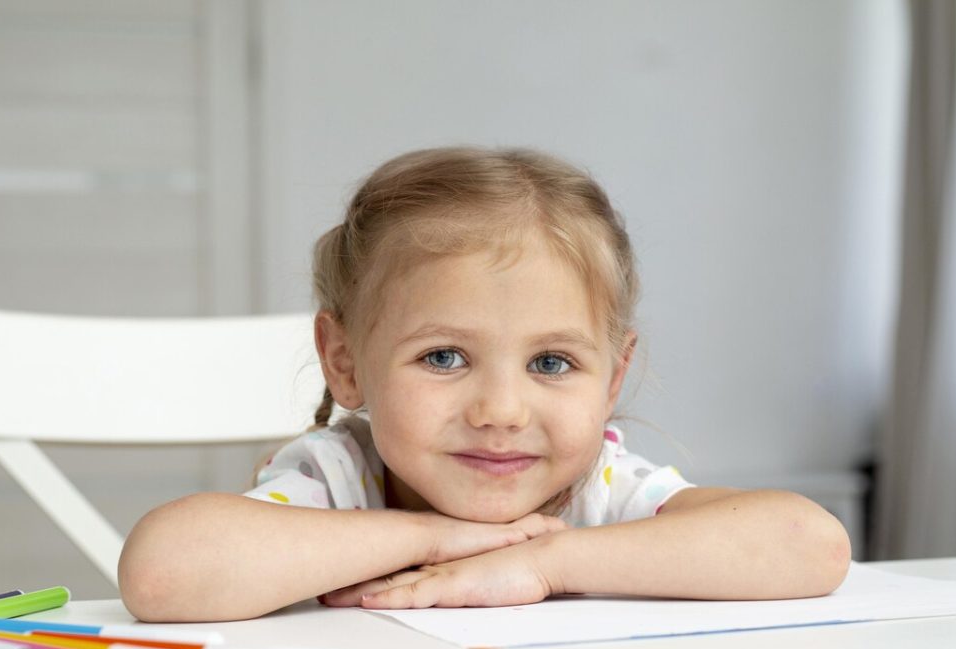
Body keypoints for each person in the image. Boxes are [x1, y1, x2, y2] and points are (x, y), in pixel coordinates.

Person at [118, 146, 851, 622]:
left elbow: (808, 544)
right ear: (344, 362)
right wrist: (437, 537)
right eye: (443, 357)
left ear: (613, 376)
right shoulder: (342, 480)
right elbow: (162, 573)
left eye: (552, 364)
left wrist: (545, 561)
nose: (501, 412)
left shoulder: (597, 490)